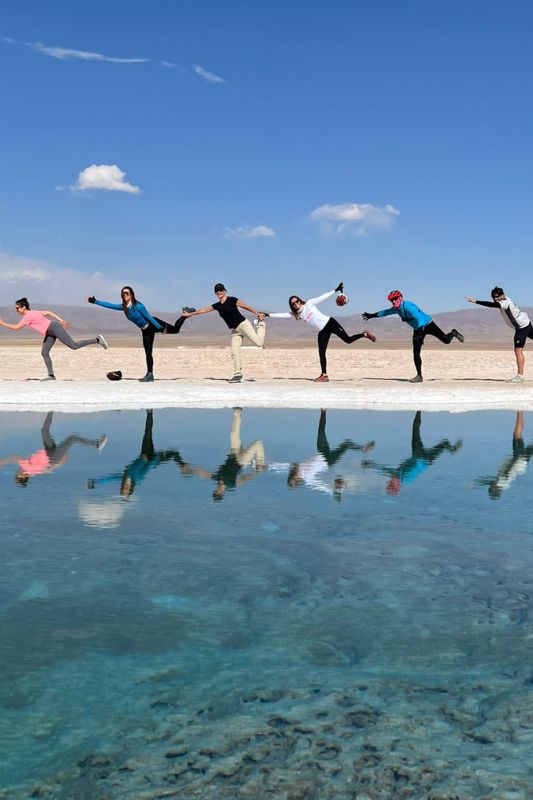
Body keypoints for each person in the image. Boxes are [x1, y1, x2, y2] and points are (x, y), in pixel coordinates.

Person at [266, 282, 376, 382]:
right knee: (321, 352)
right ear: (292, 306)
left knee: (348, 340)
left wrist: (336, 290)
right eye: (293, 303)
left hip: (330, 323)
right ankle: (324, 375)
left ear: (300, 300)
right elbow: (282, 315)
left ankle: (364, 334)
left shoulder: (309, 304)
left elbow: (322, 297)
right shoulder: (297, 315)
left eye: (297, 301)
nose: (296, 304)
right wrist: (267, 315)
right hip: (322, 331)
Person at [87, 286, 191, 382]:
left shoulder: (138, 306)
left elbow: (148, 317)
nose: (125, 295)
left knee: (176, 330)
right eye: (123, 293)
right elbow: (110, 305)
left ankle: (185, 314)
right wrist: (95, 301)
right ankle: (150, 375)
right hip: (145, 330)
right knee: (148, 352)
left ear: (131, 294)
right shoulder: (124, 307)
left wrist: (159, 327)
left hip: (153, 324)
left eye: (127, 293)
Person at [362, 290, 464, 383]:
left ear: (401, 298)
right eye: (391, 300)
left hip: (428, 324)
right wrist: (371, 315)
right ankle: (419, 376)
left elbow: (419, 318)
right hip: (418, 329)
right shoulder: (396, 309)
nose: (393, 302)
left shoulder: (408, 306)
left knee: (446, 340)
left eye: (395, 299)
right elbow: (385, 312)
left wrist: (420, 332)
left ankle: (453, 333)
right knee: (416, 352)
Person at [0, 298, 108, 380]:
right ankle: (51, 375)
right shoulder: (33, 312)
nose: (16, 310)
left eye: (17, 307)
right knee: (44, 352)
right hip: (50, 331)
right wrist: (60, 320)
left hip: (53, 328)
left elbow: (16, 328)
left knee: (73, 346)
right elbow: (48, 312)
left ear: (23, 307)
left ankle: (97, 340)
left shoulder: (28, 316)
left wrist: (1, 323)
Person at [87, 409, 185, 498]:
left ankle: (150, 412)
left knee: (148, 433)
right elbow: (147, 469)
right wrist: (152, 458)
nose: (124, 489)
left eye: (123, 490)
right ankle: (183, 466)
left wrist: (95, 482)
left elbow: (109, 478)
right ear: (130, 490)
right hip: (151, 459)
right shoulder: (137, 480)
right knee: (173, 452)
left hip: (144, 454)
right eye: (126, 491)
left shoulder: (123, 478)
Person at [361, 410, 462, 494]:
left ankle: (419, 410)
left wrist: (369, 465)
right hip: (424, 459)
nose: (391, 481)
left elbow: (381, 469)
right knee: (441, 442)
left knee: (416, 430)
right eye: (392, 484)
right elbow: (416, 467)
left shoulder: (394, 474)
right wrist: (418, 458)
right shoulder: (406, 479)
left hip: (421, 457)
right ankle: (452, 449)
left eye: (390, 483)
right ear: (398, 485)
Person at [182, 283, 267, 383]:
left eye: (221, 290)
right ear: (215, 293)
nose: (219, 293)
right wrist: (190, 314)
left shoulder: (232, 300)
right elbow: (203, 310)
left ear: (224, 291)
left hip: (243, 324)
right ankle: (238, 375)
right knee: (234, 352)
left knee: (259, 343)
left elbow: (245, 306)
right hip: (235, 330)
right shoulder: (217, 306)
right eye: (217, 291)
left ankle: (261, 324)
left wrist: (258, 314)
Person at [0, 411, 107, 486]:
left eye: (16, 476)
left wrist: (2, 462)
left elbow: (17, 457)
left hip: (49, 450)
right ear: (23, 477)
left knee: (44, 431)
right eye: (17, 476)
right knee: (72, 438)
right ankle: (96, 444)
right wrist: (2, 462)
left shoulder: (29, 469)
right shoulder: (29, 470)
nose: (16, 474)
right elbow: (48, 468)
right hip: (52, 456)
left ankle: (51, 409)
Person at [465, 287, 533, 383]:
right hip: (526, 321)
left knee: (518, 351)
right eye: (493, 297)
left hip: (521, 327)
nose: (495, 299)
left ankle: (520, 376)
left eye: (497, 297)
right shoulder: (507, 299)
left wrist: (476, 301)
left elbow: (492, 305)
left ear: (502, 295)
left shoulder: (505, 303)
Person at [475, 412, 533, 498]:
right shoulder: (501, 482)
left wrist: (476, 483)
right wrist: (517, 457)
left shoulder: (503, 485)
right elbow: (509, 471)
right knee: (517, 435)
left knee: (520, 438)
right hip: (518, 460)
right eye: (491, 488)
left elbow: (488, 481)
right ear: (495, 489)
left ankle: (520, 412)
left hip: (522, 464)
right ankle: (520, 411)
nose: (490, 486)